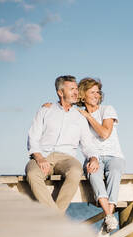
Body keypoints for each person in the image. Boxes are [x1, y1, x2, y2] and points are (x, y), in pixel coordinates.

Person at [43, 78, 125, 237]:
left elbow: (104, 133)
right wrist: (49, 107)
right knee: (93, 174)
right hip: (94, 157)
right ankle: (109, 217)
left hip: (113, 155)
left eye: (98, 92)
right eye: (92, 92)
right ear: (83, 95)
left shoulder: (107, 109)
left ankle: (108, 217)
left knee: (114, 172)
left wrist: (88, 116)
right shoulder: (77, 114)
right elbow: (63, 109)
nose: (96, 95)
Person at [26, 75, 99, 213]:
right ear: (60, 92)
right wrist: (39, 158)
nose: (76, 92)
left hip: (67, 158)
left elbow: (87, 144)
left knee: (76, 171)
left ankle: (53, 217)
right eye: (71, 89)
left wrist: (94, 158)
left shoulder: (80, 117)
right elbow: (33, 137)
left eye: (76, 89)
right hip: (43, 155)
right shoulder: (45, 110)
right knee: (32, 174)